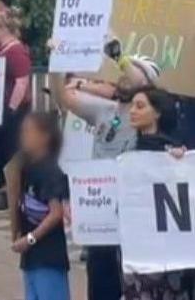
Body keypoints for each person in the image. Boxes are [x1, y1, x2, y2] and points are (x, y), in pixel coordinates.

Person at [49, 47, 160, 300]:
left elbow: (140, 81)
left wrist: (120, 56)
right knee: (100, 281)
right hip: (100, 216)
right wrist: (57, 64)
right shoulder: (105, 111)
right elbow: (62, 97)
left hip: (133, 217)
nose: (122, 74)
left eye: (129, 70)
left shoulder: (150, 120)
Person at [122, 86, 195, 299]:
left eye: (140, 106)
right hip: (137, 246)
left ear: (157, 113)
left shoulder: (172, 150)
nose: (132, 111)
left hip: (167, 250)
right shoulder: (129, 151)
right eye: (132, 106)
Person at [11, 112, 70, 300]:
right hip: (32, 259)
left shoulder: (50, 171)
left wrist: (29, 239)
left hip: (48, 257)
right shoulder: (28, 167)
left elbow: (56, 213)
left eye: (29, 131)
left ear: (44, 137)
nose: (23, 137)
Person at [0, 9, 32, 183]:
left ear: (3, 28)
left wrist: (11, 109)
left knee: (11, 150)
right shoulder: (1, 50)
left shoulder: (16, 51)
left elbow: (22, 81)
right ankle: (6, 184)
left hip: (14, 110)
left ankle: (14, 189)